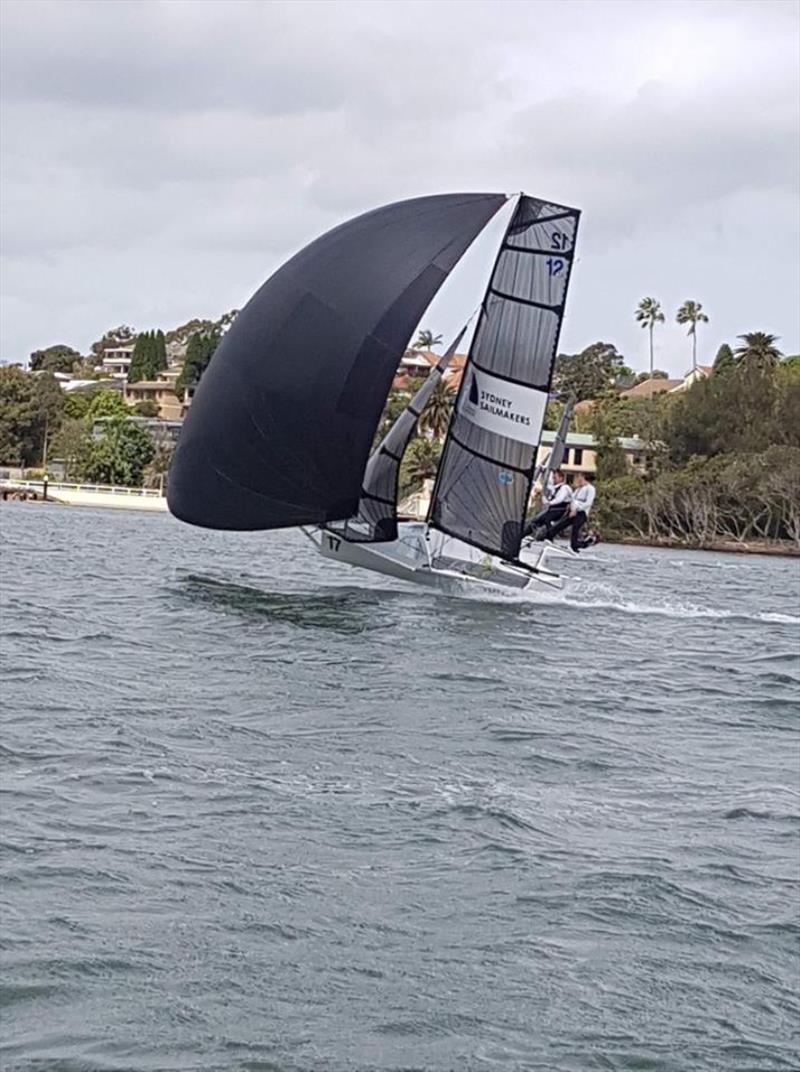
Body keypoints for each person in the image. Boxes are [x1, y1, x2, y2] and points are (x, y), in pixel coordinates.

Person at [549, 472, 596, 552]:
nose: (578, 479)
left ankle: (585, 543)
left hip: (581, 513)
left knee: (575, 530)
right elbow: (572, 500)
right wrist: (570, 508)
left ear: (584, 477)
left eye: (579, 477)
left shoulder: (590, 489)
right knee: (560, 524)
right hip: (572, 512)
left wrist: (576, 510)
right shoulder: (578, 489)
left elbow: (588, 503)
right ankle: (548, 537)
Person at [523, 469, 572, 541]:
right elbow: (548, 483)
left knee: (547, 520)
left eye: (555, 478)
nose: (553, 479)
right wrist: (543, 473)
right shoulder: (554, 488)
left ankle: (549, 538)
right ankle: (523, 535)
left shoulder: (565, 488)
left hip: (559, 510)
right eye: (553, 478)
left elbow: (560, 499)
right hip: (552, 510)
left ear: (561, 478)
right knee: (537, 521)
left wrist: (549, 503)